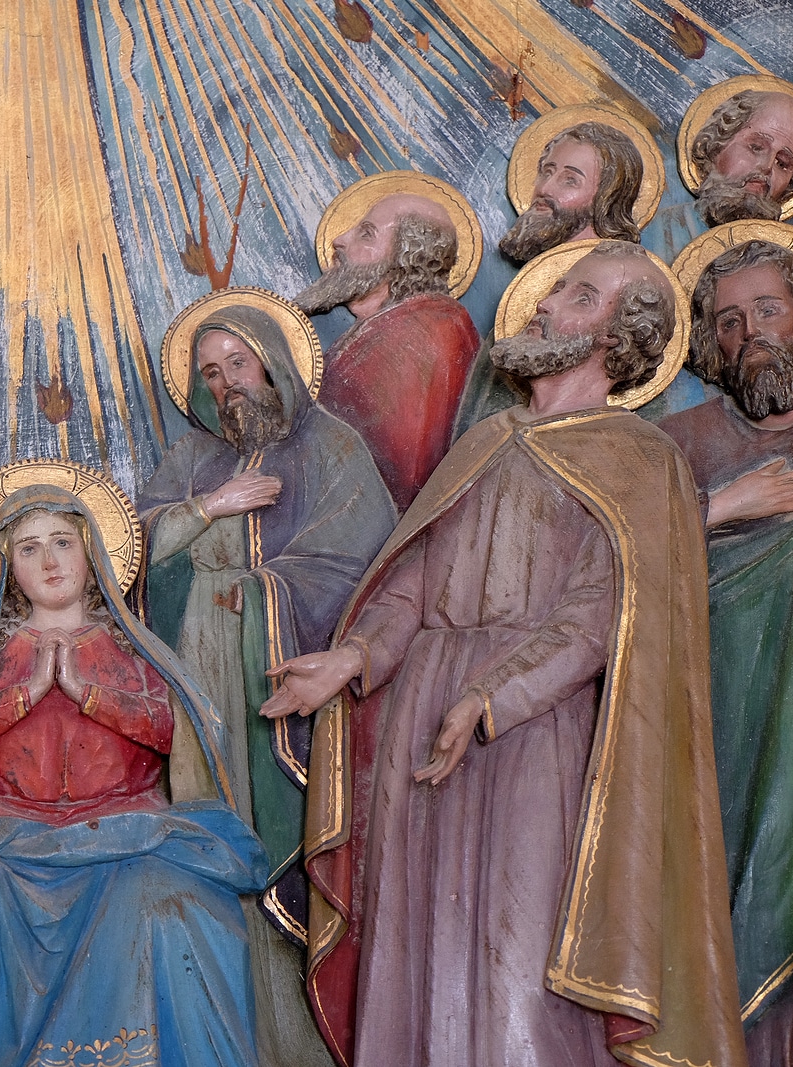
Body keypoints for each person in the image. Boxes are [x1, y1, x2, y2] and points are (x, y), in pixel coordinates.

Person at [269, 241, 745, 1067]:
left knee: (517, 956)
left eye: (579, 295)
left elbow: (597, 618)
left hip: (532, 734)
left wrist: (490, 697)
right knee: (418, 947)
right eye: (557, 289)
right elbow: (414, 580)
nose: (546, 304)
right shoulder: (487, 440)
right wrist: (353, 658)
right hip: (422, 710)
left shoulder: (642, 461)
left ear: (618, 336)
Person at [0, 481, 270, 1067]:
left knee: (179, 909)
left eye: (62, 542)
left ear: (91, 552)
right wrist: (24, 694)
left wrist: (88, 693)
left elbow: (180, 729)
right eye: (28, 549)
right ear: (7, 569)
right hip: (1, 830)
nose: (50, 561)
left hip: (126, 827)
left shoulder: (131, 648)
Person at [137, 294, 394, 1067]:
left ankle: (300, 1043)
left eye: (237, 364)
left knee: (284, 860)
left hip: (279, 677)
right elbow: (133, 548)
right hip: (197, 676)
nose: (226, 384)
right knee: (207, 846)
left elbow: (362, 566)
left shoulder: (331, 446)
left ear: (274, 362)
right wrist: (210, 505)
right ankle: (217, 1035)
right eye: (210, 373)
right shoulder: (192, 458)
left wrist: (256, 597)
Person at [659, 237, 793, 1064]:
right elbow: (609, 568)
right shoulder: (680, 441)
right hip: (718, 708)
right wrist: (718, 506)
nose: (750, 334)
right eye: (729, 322)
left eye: (768, 310)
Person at [294, 188, 480, 508]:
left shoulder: (423, 335)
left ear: (405, 259)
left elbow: (399, 470)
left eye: (366, 234)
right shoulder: (396, 323)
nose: (339, 240)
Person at [499, 120, 645, 264]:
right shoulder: (547, 265)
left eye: (570, 180)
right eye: (547, 173)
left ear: (607, 197)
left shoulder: (615, 271)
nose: (544, 189)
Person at [688, 88, 793, 227]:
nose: (767, 166)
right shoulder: (668, 225)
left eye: (781, 163)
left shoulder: (787, 241)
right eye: (756, 147)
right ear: (717, 144)